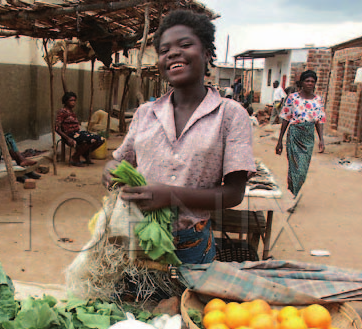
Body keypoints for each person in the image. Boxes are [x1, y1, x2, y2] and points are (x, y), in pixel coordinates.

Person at [102, 10, 255, 264]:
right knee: (131, 303)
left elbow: (234, 194)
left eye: (185, 45)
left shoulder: (229, 115)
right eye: (164, 50)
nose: (172, 53)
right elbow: (121, 161)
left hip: (190, 245)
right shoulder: (145, 114)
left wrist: (171, 196)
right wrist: (110, 168)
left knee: (188, 304)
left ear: (206, 53)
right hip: (137, 237)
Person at [276, 70, 325, 199]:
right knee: (294, 167)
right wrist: (280, 140)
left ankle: (293, 190)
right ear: (302, 82)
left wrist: (321, 139)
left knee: (302, 169)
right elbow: (286, 118)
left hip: (308, 136)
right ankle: (292, 194)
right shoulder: (293, 98)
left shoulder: (318, 100)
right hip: (294, 134)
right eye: (307, 81)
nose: (310, 83)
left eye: (312, 81)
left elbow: (319, 121)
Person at [55, 92, 105, 167]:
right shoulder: (62, 112)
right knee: (89, 140)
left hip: (77, 133)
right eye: (71, 100)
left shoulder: (73, 112)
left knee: (100, 139)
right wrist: (68, 138)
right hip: (69, 135)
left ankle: (84, 154)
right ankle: (75, 158)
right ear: (66, 101)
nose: (73, 102)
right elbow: (57, 128)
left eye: (74, 100)